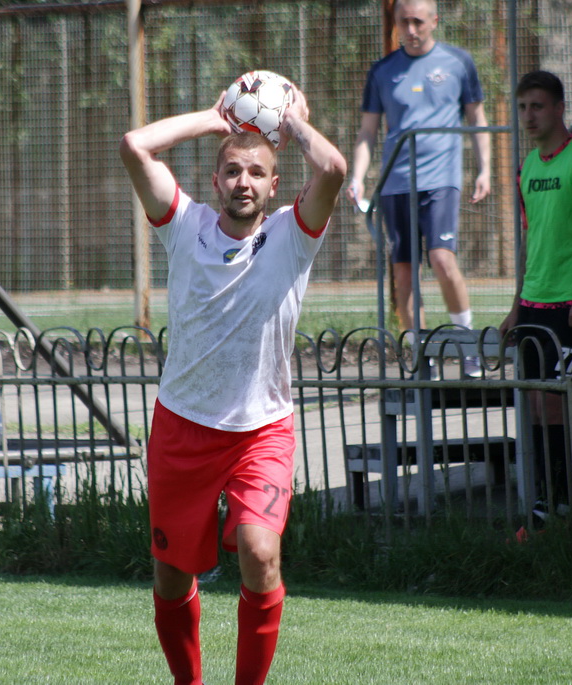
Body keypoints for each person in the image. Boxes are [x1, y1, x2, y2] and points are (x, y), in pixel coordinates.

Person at [120, 82, 346, 685]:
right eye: (232, 171)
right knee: (172, 577)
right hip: (182, 426)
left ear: (275, 185)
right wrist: (214, 118)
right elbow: (135, 146)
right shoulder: (183, 224)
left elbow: (333, 168)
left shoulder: (293, 235)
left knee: (261, 554)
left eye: (257, 173)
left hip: (261, 431)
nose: (244, 182)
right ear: (216, 181)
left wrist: (290, 123)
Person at [347, 0, 491, 376]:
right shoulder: (382, 71)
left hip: (441, 181)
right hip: (395, 185)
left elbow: (477, 117)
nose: (410, 30)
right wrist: (357, 177)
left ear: (434, 21)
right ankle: (421, 360)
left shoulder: (458, 62)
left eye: (417, 22)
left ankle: (468, 348)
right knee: (404, 273)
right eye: (403, 22)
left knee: (442, 259)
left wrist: (485, 169)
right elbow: (367, 132)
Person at [499, 70, 572, 525]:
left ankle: (563, 506)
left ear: (560, 108)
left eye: (538, 106)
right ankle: (546, 502)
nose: (529, 116)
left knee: (555, 402)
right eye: (522, 107)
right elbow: (531, 240)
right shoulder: (526, 167)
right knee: (533, 403)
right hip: (535, 304)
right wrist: (516, 306)